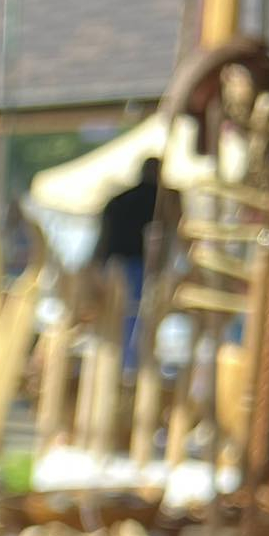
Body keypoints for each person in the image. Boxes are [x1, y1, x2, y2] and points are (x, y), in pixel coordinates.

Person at [95, 157, 162, 374]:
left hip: (117, 262)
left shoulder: (119, 200)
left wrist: (100, 262)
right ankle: (128, 365)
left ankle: (120, 364)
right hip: (136, 264)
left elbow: (104, 236)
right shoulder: (157, 200)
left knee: (120, 315)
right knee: (134, 312)